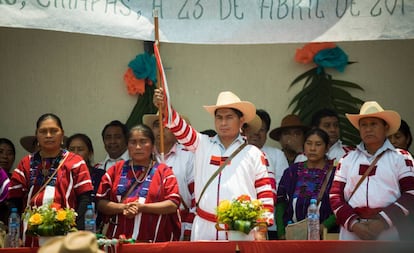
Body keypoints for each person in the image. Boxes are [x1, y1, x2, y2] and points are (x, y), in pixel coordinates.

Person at [153, 88, 274, 241]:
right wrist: (165, 108)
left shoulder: (254, 153)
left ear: (241, 120)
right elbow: (180, 128)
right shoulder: (201, 144)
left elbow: (265, 194)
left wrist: (262, 229)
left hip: (241, 231)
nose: (223, 123)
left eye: (229, 117)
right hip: (204, 229)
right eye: (219, 118)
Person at [329, 101, 414, 240]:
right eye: (364, 125)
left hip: (388, 231)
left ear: (385, 128)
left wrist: (382, 221)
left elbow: (411, 194)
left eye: (373, 124)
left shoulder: (401, 158)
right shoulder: (346, 159)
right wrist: (354, 224)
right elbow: (335, 197)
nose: (368, 129)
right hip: (351, 232)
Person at [7, 113, 94, 246]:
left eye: (54, 131)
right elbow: (14, 201)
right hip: (30, 239)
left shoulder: (76, 162)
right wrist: (16, 233)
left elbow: (85, 199)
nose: (48, 135)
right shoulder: (25, 163)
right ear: (37, 135)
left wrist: (76, 232)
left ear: (62, 134)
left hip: (66, 239)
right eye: (43, 131)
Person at [96, 124, 181, 242]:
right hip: (118, 242)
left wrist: (142, 208)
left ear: (152, 146)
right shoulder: (115, 170)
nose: (138, 146)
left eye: (143, 141)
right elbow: (101, 202)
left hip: (153, 243)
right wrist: (123, 207)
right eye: (133, 142)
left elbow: (172, 204)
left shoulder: (164, 172)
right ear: (127, 146)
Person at [276, 128, 336, 240]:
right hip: (292, 237)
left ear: (327, 148)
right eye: (309, 144)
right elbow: (281, 203)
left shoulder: (336, 174)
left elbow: (341, 205)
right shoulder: (291, 172)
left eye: (318, 144)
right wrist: (281, 233)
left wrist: (323, 227)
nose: (312, 148)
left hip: (325, 237)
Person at [143, 113, 195, 241]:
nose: (161, 129)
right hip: (147, 224)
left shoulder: (189, 156)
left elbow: (196, 197)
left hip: (179, 224)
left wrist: (189, 228)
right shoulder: (143, 157)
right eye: (156, 125)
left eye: (166, 125)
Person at [242, 109, 289, 240]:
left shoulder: (276, 155)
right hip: (240, 223)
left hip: (270, 225)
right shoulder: (236, 155)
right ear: (244, 130)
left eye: (262, 129)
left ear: (267, 133)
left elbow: (282, 189)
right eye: (253, 128)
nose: (256, 133)